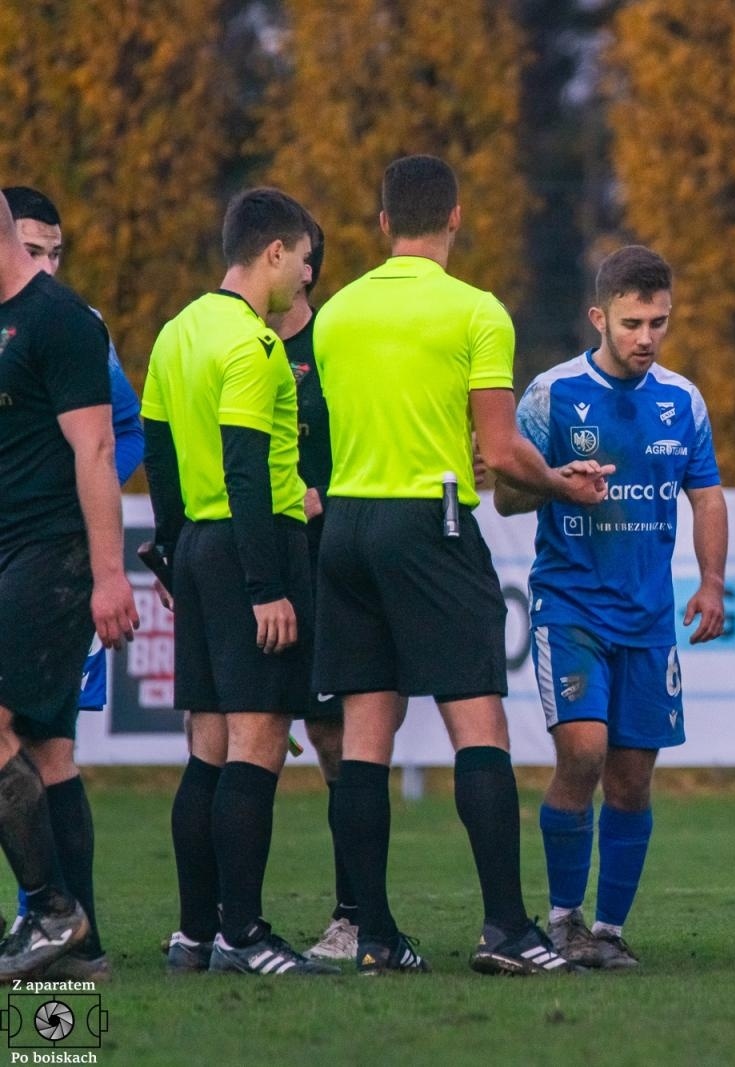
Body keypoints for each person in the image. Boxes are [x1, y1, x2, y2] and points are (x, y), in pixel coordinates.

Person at [312, 154, 610, 975]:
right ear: (455, 217)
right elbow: (504, 450)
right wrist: (562, 484)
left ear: (381, 224)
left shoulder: (334, 312)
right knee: (478, 724)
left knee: (367, 735)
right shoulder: (476, 311)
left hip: (345, 527)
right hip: (427, 523)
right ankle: (508, 930)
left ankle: (373, 934)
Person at [496, 245, 727, 970]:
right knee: (585, 752)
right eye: (632, 322)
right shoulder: (553, 395)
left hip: (649, 620)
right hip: (571, 609)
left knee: (632, 775)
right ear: (599, 316)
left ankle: (609, 929)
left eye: (659, 321)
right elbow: (505, 493)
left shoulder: (682, 399)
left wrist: (713, 581)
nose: (646, 337)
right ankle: (563, 918)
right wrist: (558, 481)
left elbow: (708, 494)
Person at [144, 188, 335, 976]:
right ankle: (244, 935)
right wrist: (267, 586)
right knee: (256, 745)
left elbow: (158, 453)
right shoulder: (252, 346)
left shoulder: (175, 332)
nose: (304, 280)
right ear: (274, 253)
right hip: (248, 551)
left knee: (208, 751)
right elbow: (247, 468)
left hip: (195, 549)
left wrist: (168, 554)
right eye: (301, 262)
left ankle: (193, 933)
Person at [1, 186, 144, 979]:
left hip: (50, 560)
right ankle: (73, 950)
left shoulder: (63, 321)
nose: (50, 259)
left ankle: (52, 911)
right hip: (12, 556)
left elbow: (102, 446)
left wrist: (107, 575)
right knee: (50, 751)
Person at [262, 219, 363, 961]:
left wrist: (323, 489)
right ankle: (218, 923)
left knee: (334, 741)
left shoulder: (334, 346)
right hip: (251, 567)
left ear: (304, 270)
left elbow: (371, 435)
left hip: (326, 566)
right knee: (236, 738)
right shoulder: (232, 339)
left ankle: (352, 913)